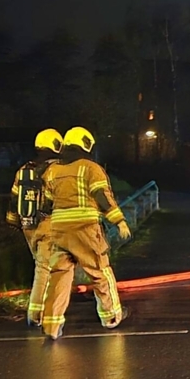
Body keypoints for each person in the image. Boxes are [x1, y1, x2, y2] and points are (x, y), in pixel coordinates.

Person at [40, 127, 131, 340]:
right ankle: (111, 316)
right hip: (85, 230)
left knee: (59, 276)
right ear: (86, 144)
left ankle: (51, 325)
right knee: (100, 271)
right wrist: (119, 221)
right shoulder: (90, 168)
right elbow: (101, 196)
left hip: (59, 230)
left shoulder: (52, 171)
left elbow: (46, 202)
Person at [6, 129, 63, 327]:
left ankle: (40, 311)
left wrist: (14, 220)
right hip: (48, 224)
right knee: (44, 269)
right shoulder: (57, 169)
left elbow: (14, 198)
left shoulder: (24, 169)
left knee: (41, 266)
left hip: (27, 225)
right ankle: (36, 314)